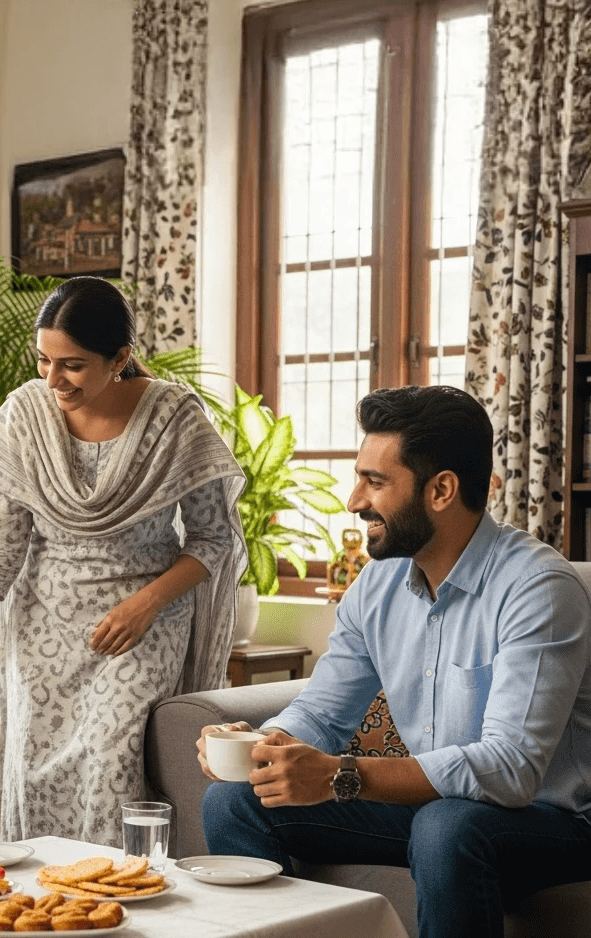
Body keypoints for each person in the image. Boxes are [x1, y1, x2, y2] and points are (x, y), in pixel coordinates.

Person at [200, 385, 591, 938]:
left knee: (447, 827)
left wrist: (340, 775)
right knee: (234, 800)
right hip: (442, 810)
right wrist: (264, 747)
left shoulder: (538, 588)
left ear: (441, 490)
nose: (354, 501)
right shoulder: (378, 584)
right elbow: (323, 712)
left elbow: (510, 769)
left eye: (376, 482)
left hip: (556, 822)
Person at [0, 277, 246, 844]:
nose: (53, 379)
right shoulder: (24, 415)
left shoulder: (174, 417)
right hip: (41, 625)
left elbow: (212, 539)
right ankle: (42, 896)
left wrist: (147, 604)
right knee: (35, 778)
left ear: (119, 359)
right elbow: (0, 548)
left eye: (72, 365)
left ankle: (118, 890)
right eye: (44, 360)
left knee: (111, 763)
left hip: (139, 626)